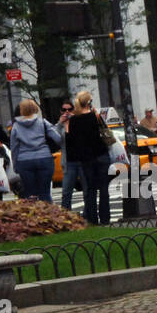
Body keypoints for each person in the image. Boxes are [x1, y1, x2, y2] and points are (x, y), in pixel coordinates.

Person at [67, 90, 112, 225]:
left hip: (86, 158)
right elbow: (105, 132)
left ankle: (92, 219)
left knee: (90, 189)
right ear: (89, 102)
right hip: (101, 154)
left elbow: (71, 140)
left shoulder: (73, 120)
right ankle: (105, 218)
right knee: (104, 188)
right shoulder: (95, 116)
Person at [8, 98, 61, 203]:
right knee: (45, 192)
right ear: (35, 109)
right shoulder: (43, 123)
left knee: (30, 193)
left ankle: (33, 217)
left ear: (21, 110)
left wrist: (15, 164)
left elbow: (14, 148)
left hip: (25, 160)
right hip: (44, 158)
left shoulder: (16, 126)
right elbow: (57, 138)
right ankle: (48, 216)